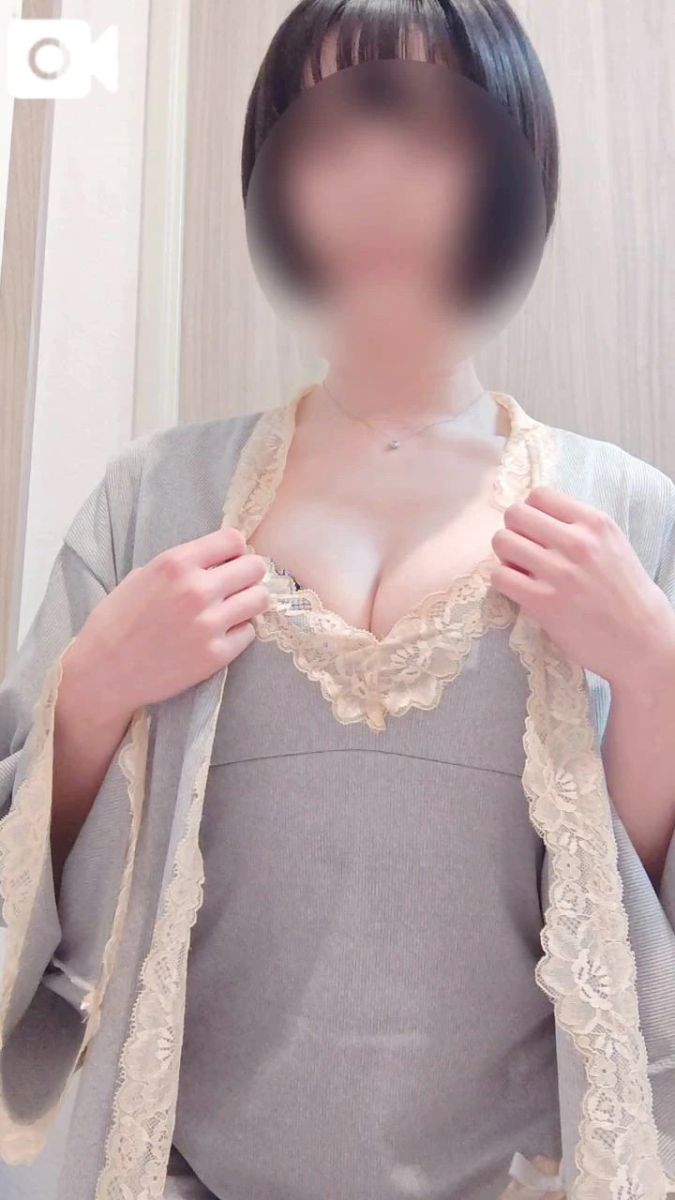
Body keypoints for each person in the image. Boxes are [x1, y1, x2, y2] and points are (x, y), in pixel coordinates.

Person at [1, 3, 675, 1199]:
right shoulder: (151, 497)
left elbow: (633, 957)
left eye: (429, 135)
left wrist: (658, 668)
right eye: (322, 140)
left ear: (515, 167)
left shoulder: (627, 514)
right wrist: (94, 689)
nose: (372, 182)